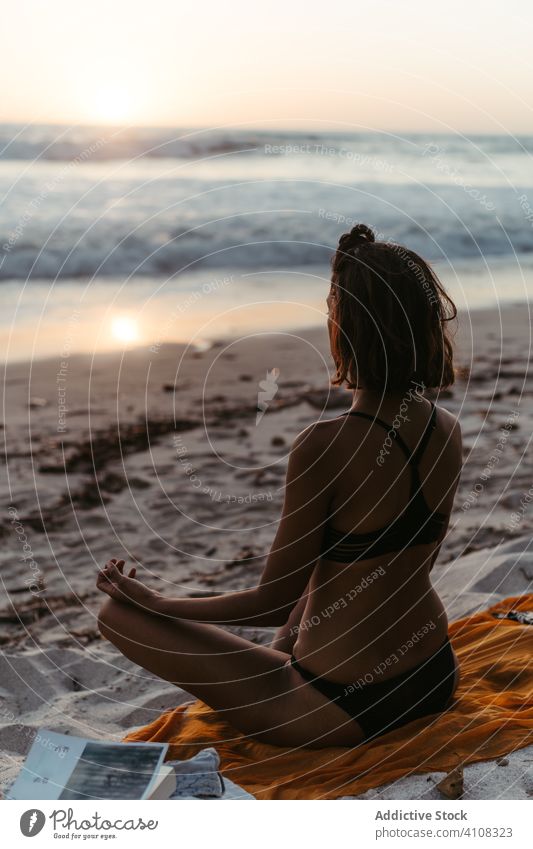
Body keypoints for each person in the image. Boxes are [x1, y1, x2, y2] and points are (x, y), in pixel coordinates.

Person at [97, 224, 462, 749]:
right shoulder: (445, 427)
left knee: (118, 616)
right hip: (432, 675)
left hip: (344, 704)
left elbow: (272, 601)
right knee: (331, 576)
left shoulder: (326, 444)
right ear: (428, 323)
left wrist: (158, 602)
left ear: (345, 331)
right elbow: (395, 562)